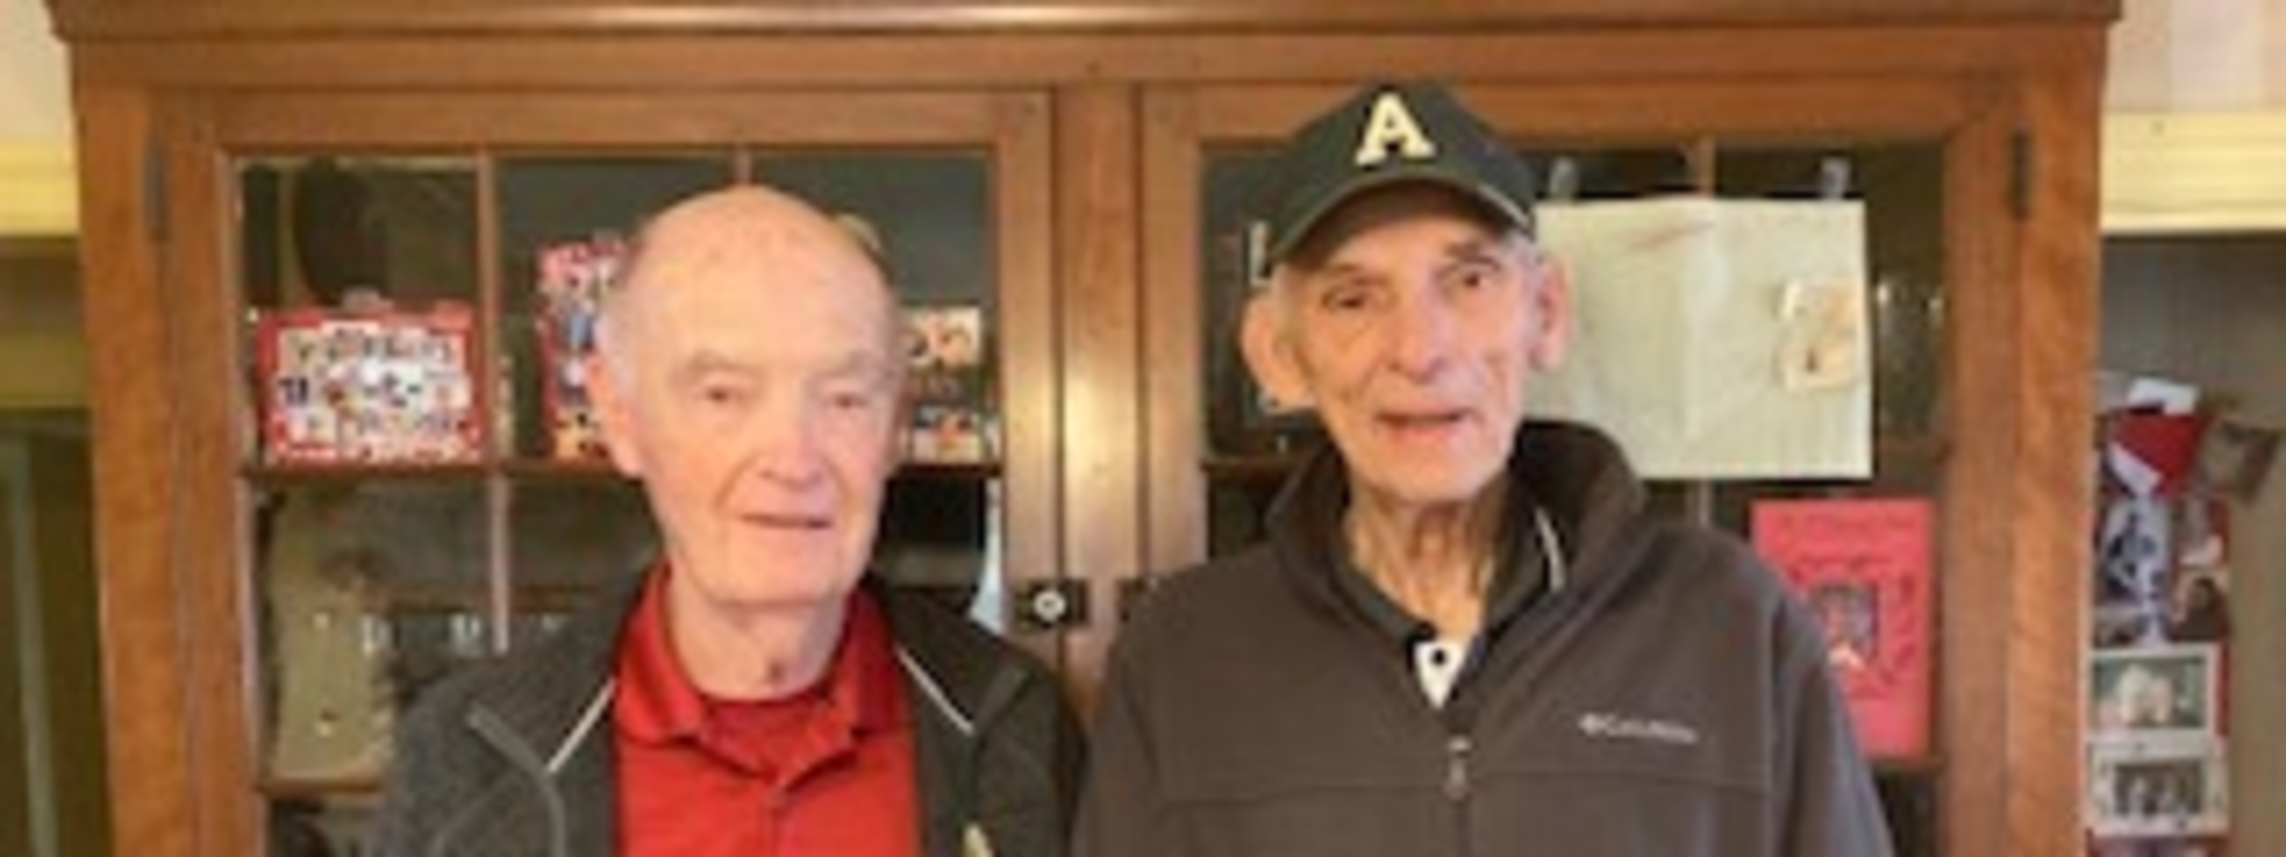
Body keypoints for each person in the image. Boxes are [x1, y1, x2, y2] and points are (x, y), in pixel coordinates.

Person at [1077, 82, 1893, 855]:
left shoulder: (1730, 622)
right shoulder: (1184, 655)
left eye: (1468, 280)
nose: (1420, 349)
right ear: (1278, 354)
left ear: (1545, 312)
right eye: (1353, 298)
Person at [373, 186, 1083, 856]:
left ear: (895, 425)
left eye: (845, 397)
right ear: (619, 416)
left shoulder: (1016, 728)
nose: (793, 458)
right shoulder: (467, 758)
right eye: (723, 395)